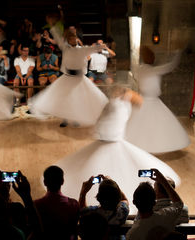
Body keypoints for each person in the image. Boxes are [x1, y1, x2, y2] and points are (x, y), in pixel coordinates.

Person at [55, 86, 181, 215]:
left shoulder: (116, 104)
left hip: (111, 140)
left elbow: (106, 123)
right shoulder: (116, 105)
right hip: (111, 139)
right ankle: (113, 191)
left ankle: (107, 192)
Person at [29, 16, 108, 127]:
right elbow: (57, 37)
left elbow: (92, 48)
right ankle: (65, 119)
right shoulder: (65, 48)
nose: (73, 40)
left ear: (76, 39)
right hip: (67, 77)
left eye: (74, 38)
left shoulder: (82, 49)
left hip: (79, 78)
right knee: (65, 98)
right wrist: (52, 26)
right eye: (71, 38)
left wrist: (102, 46)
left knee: (77, 99)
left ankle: (75, 118)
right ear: (68, 40)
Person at [125, 46, 190, 153]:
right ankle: (150, 146)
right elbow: (170, 66)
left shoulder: (140, 69)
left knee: (140, 126)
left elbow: (135, 76)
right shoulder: (152, 70)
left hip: (143, 99)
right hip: (151, 100)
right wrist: (179, 53)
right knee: (154, 126)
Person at [123, 169, 184, 240]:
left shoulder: (132, 234)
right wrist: (162, 180)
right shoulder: (166, 216)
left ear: (134, 202)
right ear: (154, 201)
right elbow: (179, 203)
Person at [33, 165, 80, 240]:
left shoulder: (36, 205)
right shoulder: (74, 204)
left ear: (45, 182)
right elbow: (75, 231)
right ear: (62, 181)